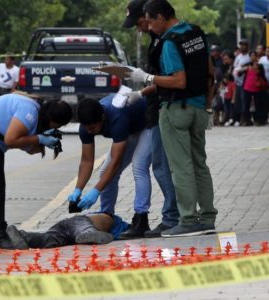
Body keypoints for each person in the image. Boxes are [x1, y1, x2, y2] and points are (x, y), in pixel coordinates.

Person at [126, 0, 217, 237]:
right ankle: (207, 217)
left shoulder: (169, 42)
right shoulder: (195, 33)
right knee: (200, 164)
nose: (150, 27)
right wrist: (208, 106)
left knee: (181, 167)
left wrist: (147, 77)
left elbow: (178, 80)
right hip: (198, 108)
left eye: (150, 21)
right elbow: (210, 72)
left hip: (176, 109)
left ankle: (187, 219)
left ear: (159, 17)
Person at [0, 92, 72, 249]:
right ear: (51, 118)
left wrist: (43, 139)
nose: (55, 128)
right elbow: (11, 140)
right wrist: (40, 138)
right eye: (57, 126)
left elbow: (29, 149)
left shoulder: (37, 114)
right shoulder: (30, 111)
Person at [120, 0, 179, 238]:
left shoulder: (166, 40)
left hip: (164, 109)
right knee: (153, 166)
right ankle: (166, 216)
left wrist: (143, 87)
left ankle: (172, 217)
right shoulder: (157, 39)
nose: (139, 28)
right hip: (155, 110)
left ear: (150, 16)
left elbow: (170, 78)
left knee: (163, 168)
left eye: (140, 22)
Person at [67, 96, 147, 225]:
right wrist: (78, 189)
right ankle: (107, 215)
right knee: (105, 171)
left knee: (140, 167)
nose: (89, 131)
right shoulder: (86, 126)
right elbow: (87, 161)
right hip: (128, 129)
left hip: (148, 122)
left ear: (102, 118)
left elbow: (115, 163)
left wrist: (96, 191)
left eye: (92, 128)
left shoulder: (117, 118)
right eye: (86, 128)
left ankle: (142, 218)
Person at [7, 213, 130, 249]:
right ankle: (87, 233)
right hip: (79, 222)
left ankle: (22, 235)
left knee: (46, 240)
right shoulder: (114, 220)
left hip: (65, 231)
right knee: (84, 229)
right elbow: (107, 218)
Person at [240, 51, 268, 126]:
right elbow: (239, 74)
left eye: (254, 56)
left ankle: (259, 120)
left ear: (256, 57)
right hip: (247, 87)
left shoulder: (260, 65)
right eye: (251, 56)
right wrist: (243, 69)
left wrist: (257, 70)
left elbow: (262, 75)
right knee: (246, 105)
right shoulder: (247, 65)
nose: (253, 57)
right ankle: (246, 121)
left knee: (258, 105)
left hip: (257, 88)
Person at [233, 39, 251, 126]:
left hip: (245, 82)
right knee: (238, 102)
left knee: (245, 102)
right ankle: (240, 119)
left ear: (247, 46)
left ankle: (245, 120)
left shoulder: (249, 56)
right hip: (237, 83)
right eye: (241, 45)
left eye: (244, 45)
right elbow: (235, 67)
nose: (242, 47)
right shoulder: (238, 56)